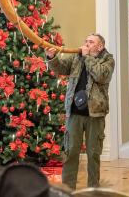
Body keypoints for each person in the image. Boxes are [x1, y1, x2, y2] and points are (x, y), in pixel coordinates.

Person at [44, 33, 115, 190]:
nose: (87, 44)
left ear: (100, 46)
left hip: (95, 114)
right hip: (74, 112)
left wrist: (87, 57)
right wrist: (52, 57)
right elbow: (61, 68)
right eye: (86, 41)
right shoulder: (77, 57)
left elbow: (101, 75)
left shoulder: (108, 60)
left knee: (93, 154)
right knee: (71, 152)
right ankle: (67, 189)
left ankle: (93, 189)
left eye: (91, 42)